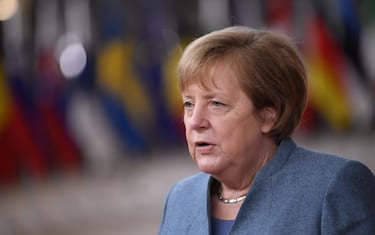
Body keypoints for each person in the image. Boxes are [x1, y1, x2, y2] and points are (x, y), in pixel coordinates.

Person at [158, 26, 375, 235]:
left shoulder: (334, 187)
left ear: (269, 115)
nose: (195, 121)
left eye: (216, 103)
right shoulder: (180, 198)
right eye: (188, 104)